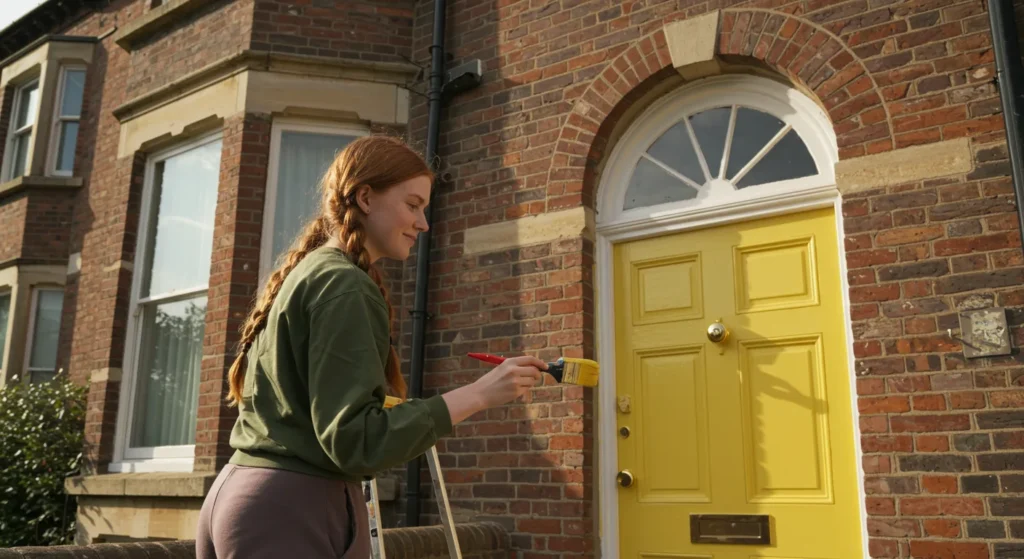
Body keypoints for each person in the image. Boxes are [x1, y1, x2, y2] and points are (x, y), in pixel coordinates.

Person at [195, 135, 547, 558]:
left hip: (246, 500)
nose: (423, 223)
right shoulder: (344, 285)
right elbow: (355, 440)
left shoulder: (314, 271)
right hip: (291, 512)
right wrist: (479, 394)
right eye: (412, 205)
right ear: (365, 197)